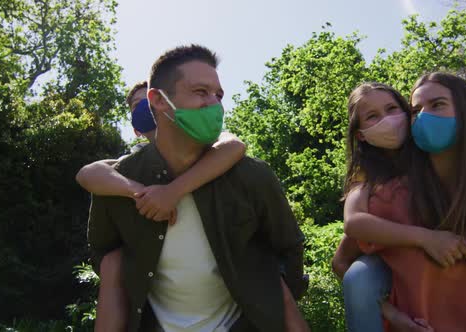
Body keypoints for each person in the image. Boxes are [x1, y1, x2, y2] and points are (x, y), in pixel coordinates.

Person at [86, 44, 308, 332]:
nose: (214, 104)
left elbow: (288, 248)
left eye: (218, 95)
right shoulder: (118, 184)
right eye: (200, 92)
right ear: (158, 100)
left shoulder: (252, 176)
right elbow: (105, 256)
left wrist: (270, 302)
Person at [334, 79, 466, 331]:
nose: (425, 116)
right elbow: (349, 245)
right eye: (417, 111)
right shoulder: (381, 193)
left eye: (393, 109)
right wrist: (428, 239)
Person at [77, 80, 250, 331]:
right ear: (136, 128)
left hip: (227, 310)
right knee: (112, 263)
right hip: (161, 314)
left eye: (151, 102)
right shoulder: (129, 165)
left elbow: (234, 145)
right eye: (138, 106)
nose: (147, 109)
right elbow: (88, 173)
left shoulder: (206, 147)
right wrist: (140, 192)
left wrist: (172, 192)